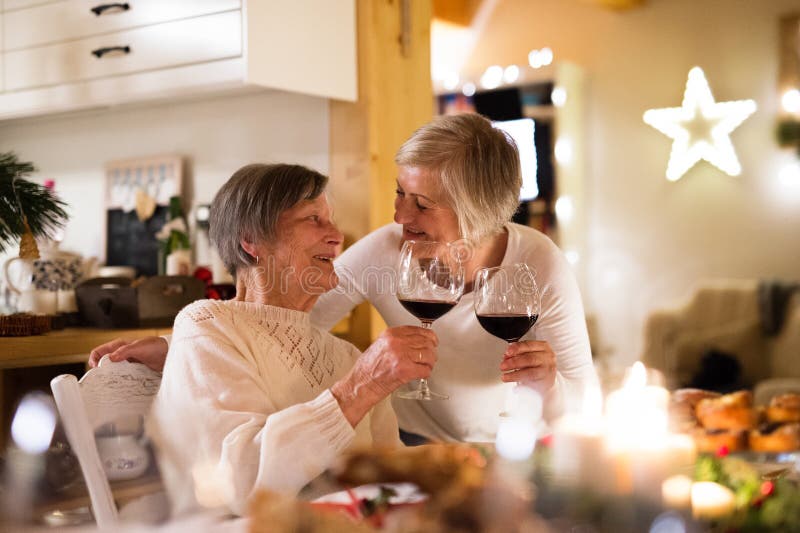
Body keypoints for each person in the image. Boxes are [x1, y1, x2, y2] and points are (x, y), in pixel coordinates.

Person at [92, 113, 598, 443]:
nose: (400, 215)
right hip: (408, 443)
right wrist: (177, 343)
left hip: (510, 446)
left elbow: (586, 403)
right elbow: (278, 323)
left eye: (421, 204)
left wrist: (551, 387)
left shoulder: (540, 266)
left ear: (477, 214)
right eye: (400, 192)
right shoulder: (386, 252)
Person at [146, 164, 437, 516]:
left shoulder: (344, 354)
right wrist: (360, 388)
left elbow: (387, 474)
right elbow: (240, 484)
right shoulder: (207, 326)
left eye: (331, 220)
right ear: (251, 240)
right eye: (313, 219)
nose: (336, 235)